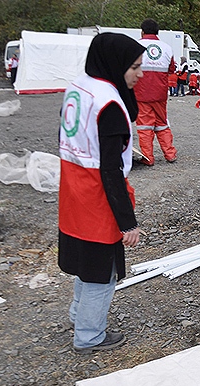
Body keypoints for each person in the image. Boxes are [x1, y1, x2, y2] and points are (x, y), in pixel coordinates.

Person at [58, 33, 144, 353]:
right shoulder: (108, 105)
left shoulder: (80, 86)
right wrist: (127, 222)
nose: (141, 74)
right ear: (115, 64)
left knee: (85, 262)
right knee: (101, 273)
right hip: (96, 196)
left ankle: (78, 316)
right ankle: (89, 335)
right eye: (134, 67)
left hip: (72, 189)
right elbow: (110, 170)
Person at [133, 18, 178, 166]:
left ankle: (148, 158)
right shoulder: (167, 48)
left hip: (141, 92)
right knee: (162, 124)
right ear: (158, 32)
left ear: (142, 31)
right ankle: (170, 154)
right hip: (160, 93)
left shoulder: (135, 46)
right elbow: (171, 69)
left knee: (145, 126)